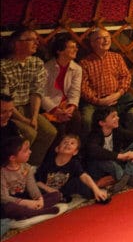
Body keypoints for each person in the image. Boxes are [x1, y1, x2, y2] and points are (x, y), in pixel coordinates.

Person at [0, 28, 57, 167]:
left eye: (37, 39)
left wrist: (34, 116)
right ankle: (11, 166)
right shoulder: (3, 66)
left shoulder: (36, 63)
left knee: (49, 132)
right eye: (31, 39)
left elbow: (36, 92)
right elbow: (5, 101)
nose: (36, 43)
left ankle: (31, 168)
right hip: (10, 110)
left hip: (29, 106)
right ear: (17, 44)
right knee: (28, 133)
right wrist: (25, 120)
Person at [79, 27, 133, 137]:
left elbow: (126, 77)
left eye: (108, 37)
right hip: (95, 103)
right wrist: (99, 101)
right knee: (86, 120)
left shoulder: (116, 58)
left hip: (118, 99)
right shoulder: (85, 62)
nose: (106, 40)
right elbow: (83, 87)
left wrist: (117, 94)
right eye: (101, 38)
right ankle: (89, 150)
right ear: (93, 43)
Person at [83, 106, 133, 193]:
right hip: (99, 167)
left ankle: (125, 177)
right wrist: (120, 156)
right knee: (110, 162)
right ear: (102, 122)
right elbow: (94, 151)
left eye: (117, 115)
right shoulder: (94, 135)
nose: (118, 118)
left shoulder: (117, 130)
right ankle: (126, 178)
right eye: (113, 116)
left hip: (116, 163)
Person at [35, 134, 110, 204]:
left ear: (75, 152)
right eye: (65, 142)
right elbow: (37, 182)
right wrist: (50, 190)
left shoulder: (74, 163)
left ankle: (99, 194)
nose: (68, 144)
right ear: (57, 148)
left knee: (79, 183)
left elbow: (84, 176)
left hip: (61, 190)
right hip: (45, 190)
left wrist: (96, 190)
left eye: (72, 143)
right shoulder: (48, 162)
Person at [1, 136, 63, 221]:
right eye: (26, 151)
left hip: (25, 198)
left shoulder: (27, 167)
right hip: (12, 201)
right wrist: (26, 203)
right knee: (9, 207)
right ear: (13, 158)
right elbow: (4, 197)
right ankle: (38, 212)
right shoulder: (2, 172)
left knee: (56, 195)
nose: (30, 152)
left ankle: (27, 212)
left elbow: (32, 187)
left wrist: (39, 199)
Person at [42, 34, 83, 138]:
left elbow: (75, 91)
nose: (76, 49)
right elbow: (41, 94)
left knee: (76, 118)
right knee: (58, 128)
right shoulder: (46, 69)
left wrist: (72, 106)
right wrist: (55, 110)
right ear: (59, 51)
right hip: (49, 106)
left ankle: (73, 150)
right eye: (71, 47)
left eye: (76, 47)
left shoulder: (77, 69)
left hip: (66, 104)